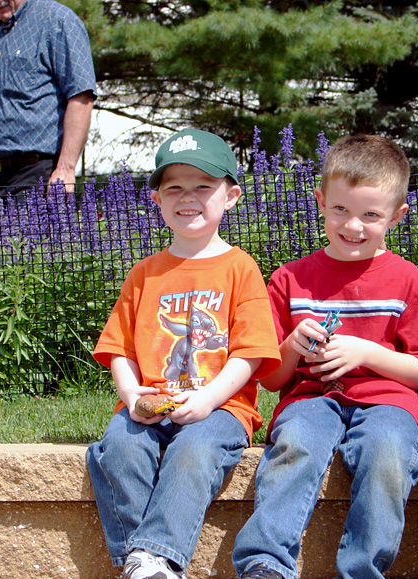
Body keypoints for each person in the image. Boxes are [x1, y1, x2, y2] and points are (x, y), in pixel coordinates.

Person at [231, 135, 418, 579]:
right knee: (296, 446)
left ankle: (363, 569)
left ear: (397, 215)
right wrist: (292, 345)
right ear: (320, 201)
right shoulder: (290, 280)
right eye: (341, 210)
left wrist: (368, 351)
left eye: (371, 215)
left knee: (387, 451)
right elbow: (272, 381)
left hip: (389, 401)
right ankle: (264, 563)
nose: (354, 226)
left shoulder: (408, 281)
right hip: (310, 399)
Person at [86, 128, 281, 579]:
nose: (187, 197)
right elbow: (120, 348)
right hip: (152, 399)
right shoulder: (145, 273)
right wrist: (133, 396)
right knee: (117, 447)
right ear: (156, 198)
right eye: (174, 186)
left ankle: (155, 554)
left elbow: (250, 353)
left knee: (193, 450)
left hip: (221, 407)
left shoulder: (240, 268)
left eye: (202, 186)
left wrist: (210, 399)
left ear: (230, 195)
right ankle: (145, 566)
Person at [0, 0, 96, 218]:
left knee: (33, 251)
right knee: (4, 251)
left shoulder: (57, 21)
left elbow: (81, 98)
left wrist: (66, 169)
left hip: (40, 175)